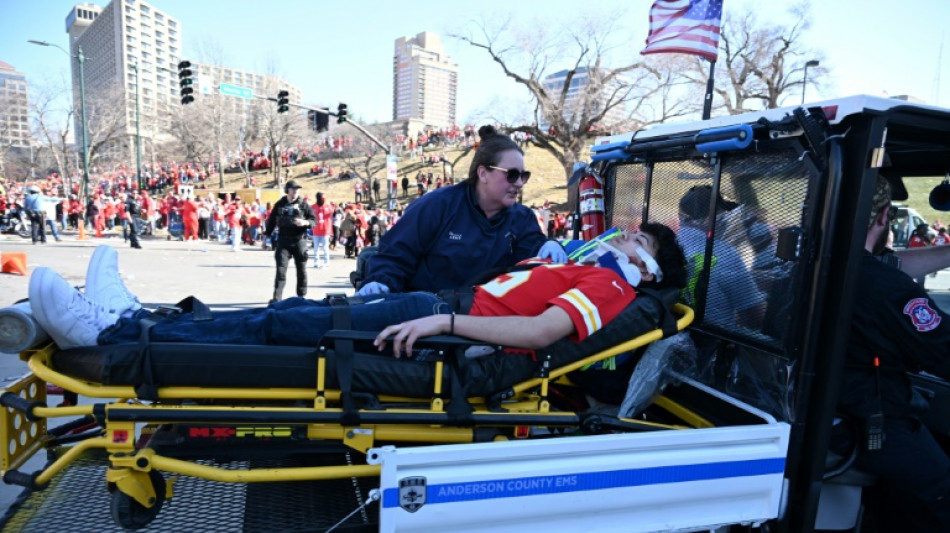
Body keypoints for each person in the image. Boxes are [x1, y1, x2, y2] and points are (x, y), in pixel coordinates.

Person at [29, 224, 686, 361]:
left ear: (647, 269)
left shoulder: (614, 283)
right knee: (289, 312)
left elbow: (541, 332)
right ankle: (134, 320)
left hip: (441, 317)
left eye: (637, 240)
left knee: (283, 327)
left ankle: (112, 334)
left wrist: (444, 323)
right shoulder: (587, 266)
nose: (623, 237)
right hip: (438, 304)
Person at [833, 175, 950, 531]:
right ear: (884, 216)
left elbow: (887, 266)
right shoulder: (886, 289)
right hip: (870, 425)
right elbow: (943, 351)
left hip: (830, 414)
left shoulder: (816, 263)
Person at [357, 125, 565, 296]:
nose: (519, 183)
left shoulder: (522, 218)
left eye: (523, 176)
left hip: (486, 320)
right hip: (427, 314)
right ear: (483, 174)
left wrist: (548, 245)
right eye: (512, 175)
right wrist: (380, 282)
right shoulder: (437, 205)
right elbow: (396, 254)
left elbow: (531, 256)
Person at [676, 185, 765, 329]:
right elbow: (754, 316)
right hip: (716, 339)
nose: (725, 220)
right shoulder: (725, 253)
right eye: (723, 215)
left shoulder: (668, 244)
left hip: (678, 331)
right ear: (712, 219)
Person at [264, 180, 315, 303]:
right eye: (293, 188)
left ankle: (301, 297)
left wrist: (305, 222)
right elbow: (271, 221)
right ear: (287, 190)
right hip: (284, 241)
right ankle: (277, 298)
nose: (295, 191)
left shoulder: (304, 205)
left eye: (297, 189)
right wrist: (266, 236)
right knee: (281, 270)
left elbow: (314, 220)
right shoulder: (280, 204)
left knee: (301, 270)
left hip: (299, 240)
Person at [311, 192, 333, 268]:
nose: (323, 200)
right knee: (316, 248)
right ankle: (316, 262)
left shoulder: (328, 206)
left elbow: (333, 214)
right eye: (322, 199)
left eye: (324, 199)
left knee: (325, 248)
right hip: (316, 230)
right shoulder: (313, 207)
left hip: (325, 230)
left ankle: (326, 262)